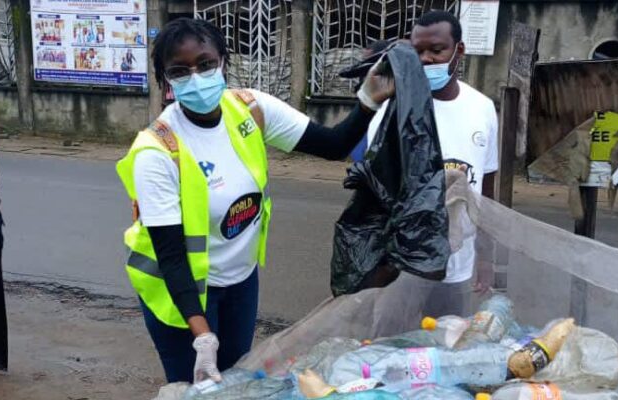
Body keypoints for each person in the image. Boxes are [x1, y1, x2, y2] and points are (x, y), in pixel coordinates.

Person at [116, 17, 393, 384]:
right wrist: (201, 335)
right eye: (179, 71)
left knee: (238, 382)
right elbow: (171, 257)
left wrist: (368, 99)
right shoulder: (157, 151)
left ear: (223, 62)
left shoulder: (250, 109)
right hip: (181, 296)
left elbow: (333, 145)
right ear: (166, 80)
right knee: (197, 391)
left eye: (205, 64)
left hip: (241, 281)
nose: (196, 77)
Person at [368, 10, 499, 334]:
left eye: (436, 50)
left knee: (445, 350)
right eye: (417, 51)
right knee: (388, 345)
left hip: (457, 265)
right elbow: (372, 191)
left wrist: (485, 257)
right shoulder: (391, 110)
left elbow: (486, 189)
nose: (425, 59)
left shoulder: (481, 108)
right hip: (402, 265)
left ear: (459, 51)